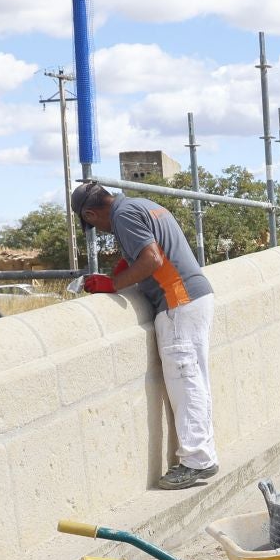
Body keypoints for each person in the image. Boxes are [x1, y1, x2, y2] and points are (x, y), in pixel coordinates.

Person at [72, 181, 218, 490]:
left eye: (93, 225)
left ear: (90, 213)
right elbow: (150, 251)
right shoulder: (141, 205)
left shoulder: (123, 216)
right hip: (195, 296)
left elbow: (152, 258)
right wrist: (118, 274)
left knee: (185, 380)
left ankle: (197, 461)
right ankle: (203, 457)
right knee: (194, 378)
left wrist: (113, 286)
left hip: (178, 300)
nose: (100, 231)